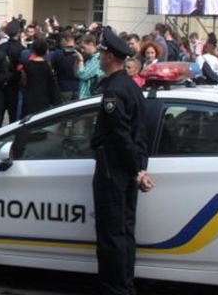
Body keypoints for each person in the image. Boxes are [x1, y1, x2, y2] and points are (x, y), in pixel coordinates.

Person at [89, 28, 153, 295]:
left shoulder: (114, 91)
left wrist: (136, 170)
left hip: (113, 171)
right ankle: (125, 285)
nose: (99, 57)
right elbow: (140, 133)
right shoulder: (131, 87)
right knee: (124, 234)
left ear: (110, 57)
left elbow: (121, 135)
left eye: (102, 53)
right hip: (125, 171)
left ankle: (116, 288)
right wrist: (140, 168)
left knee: (111, 237)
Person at [21, 38, 60, 115]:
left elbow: (23, 81)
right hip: (44, 98)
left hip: (30, 97)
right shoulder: (47, 66)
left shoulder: (27, 65)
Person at [0, 20, 25, 123]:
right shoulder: (22, 49)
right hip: (15, 85)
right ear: (18, 32)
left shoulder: (1, 47)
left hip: (1, 84)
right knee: (14, 118)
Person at [51, 30, 80, 104]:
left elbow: (52, 68)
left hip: (63, 88)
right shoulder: (80, 52)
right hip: (78, 87)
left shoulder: (58, 53)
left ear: (64, 40)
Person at [74, 34, 104, 99]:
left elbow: (82, 75)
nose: (82, 50)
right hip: (84, 98)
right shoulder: (89, 59)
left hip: (90, 99)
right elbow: (76, 74)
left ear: (91, 44)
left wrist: (81, 60)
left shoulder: (97, 59)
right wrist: (77, 60)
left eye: (83, 47)